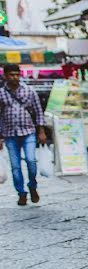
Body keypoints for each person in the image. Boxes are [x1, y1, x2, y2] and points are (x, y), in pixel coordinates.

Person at [0, 63, 47, 205]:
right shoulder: (1, 93)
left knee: (31, 161)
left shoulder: (29, 91)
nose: (15, 77)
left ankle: (32, 186)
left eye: (17, 74)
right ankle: (21, 192)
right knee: (15, 167)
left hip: (28, 132)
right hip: (9, 134)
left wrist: (41, 131)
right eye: (11, 75)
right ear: (5, 76)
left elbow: (38, 111)